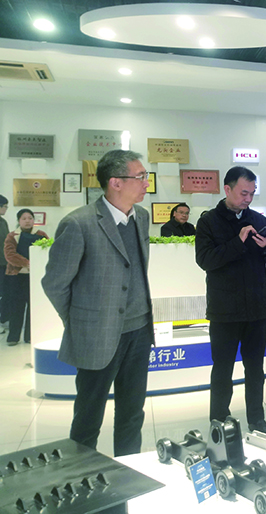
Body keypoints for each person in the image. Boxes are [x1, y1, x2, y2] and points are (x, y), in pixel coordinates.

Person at [42, 149, 154, 456]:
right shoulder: (79, 223)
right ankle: (80, 476)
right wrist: (81, 321)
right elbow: (54, 283)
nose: (146, 183)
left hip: (139, 332)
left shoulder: (141, 218)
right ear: (115, 182)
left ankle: (129, 472)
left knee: (132, 414)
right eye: (140, 177)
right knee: (88, 418)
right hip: (97, 335)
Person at [195, 166, 266, 436]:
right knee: (223, 369)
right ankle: (219, 419)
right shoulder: (209, 222)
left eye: (252, 193)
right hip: (224, 310)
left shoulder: (258, 218)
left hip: (256, 307)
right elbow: (205, 260)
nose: (248, 199)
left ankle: (257, 419)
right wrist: (238, 241)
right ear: (227, 189)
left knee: (255, 369)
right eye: (244, 193)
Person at [4, 209, 48, 346]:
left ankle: (30, 336)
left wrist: (36, 264)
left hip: (35, 277)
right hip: (16, 277)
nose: (27, 221)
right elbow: (9, 255)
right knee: (16, 306)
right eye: (24, 218)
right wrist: (28, 263)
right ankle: (13, 337)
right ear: (19, 221)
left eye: (30, 218)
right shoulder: (12, 236)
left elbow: (47, 251)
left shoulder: (41, 235)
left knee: (33, 307)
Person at [0, 195, 9, 333]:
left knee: (4, 293)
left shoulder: (3, 222)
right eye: (5, 206)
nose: (6, 209)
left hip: (3, 263)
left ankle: (3, 319)